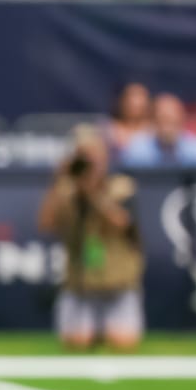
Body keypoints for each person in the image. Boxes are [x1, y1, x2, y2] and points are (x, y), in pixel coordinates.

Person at [38, 126, 143, 351]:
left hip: (117, 282)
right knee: (77, 343)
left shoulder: (120, 186)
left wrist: (92, 192)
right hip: (81, 283)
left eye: (93, 156)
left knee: (123, 345)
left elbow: (122, 223)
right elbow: (46, 224)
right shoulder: (66, 192)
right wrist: (58, 181)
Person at [121, 93, 196, 166]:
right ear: (154, 121)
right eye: (163, 119)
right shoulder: (138, 150)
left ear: (182, 120)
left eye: (171, 120)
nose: (167, 127)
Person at [104, 83, 151, 157]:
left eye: (139, 97)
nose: (135, 102)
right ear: (122, 100)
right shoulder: (107, 129)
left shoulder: (154, 132)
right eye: (131, 97)